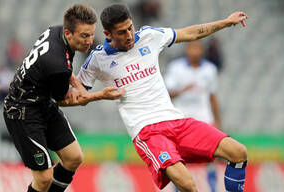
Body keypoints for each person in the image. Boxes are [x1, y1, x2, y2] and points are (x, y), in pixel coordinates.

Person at [70, 4, 248, 192]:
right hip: (148, 132)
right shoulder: (98, 59)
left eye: (130, 27)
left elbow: (191, 33)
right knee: (187, 184)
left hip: (176, 121)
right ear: (107, 34)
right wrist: (100, 95)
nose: (129, 35)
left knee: (238, 152)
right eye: (121, 32)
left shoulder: (149, 36)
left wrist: (226, 22)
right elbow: (74, 97)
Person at [3, 4, 124, 192]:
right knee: (44, 178)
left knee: (74, 157)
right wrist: (100, 95)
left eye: (92, 34)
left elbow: (62, 67)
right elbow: (63, 100)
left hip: (40, 101)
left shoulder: (56, 31)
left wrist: (78, 85)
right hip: (22, 111)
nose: (90, 41)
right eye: (84, 36)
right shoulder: (57, 64)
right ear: (68, 33)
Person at [165, 40, 222, 192]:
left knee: (211, 157)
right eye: (192, 47)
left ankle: (213, 187)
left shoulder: (210, 69)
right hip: (181, 118)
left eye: (198, 47)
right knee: (178, 159)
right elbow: (167, 93)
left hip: (204, 118)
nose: (195, 51)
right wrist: (182, 90)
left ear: (202, 50)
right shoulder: (176, 68)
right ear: (187, 49)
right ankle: (177, 188)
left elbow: (212, 97)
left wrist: (217, 122)